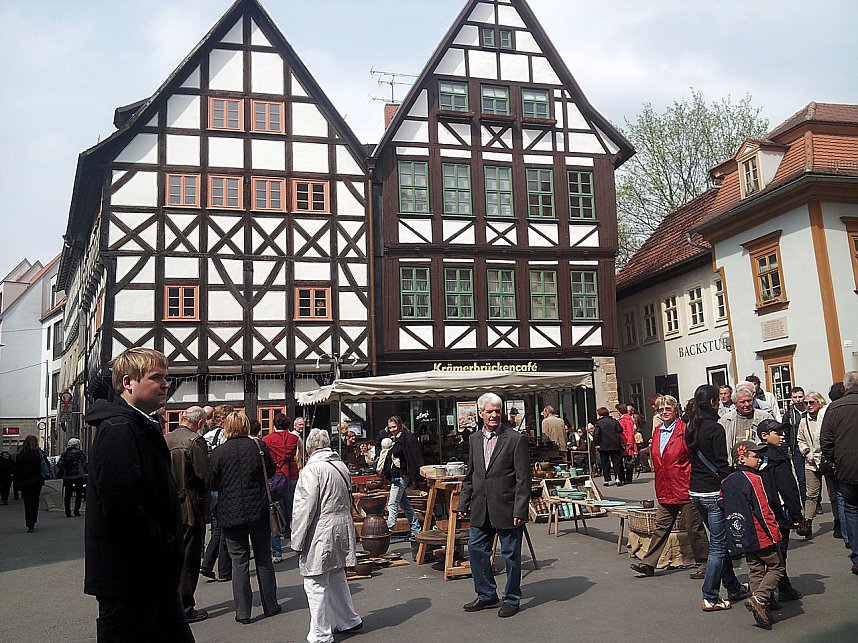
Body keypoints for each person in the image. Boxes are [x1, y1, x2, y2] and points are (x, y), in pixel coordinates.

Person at [83, 347, 193, 641]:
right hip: (132, 579)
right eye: (157, 377)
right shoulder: (120, 429)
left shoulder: (138, 424)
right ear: (127, 383)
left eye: (167, 377)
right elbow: (122, 508)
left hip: (149, 577)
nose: (166, 384)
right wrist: (164, 543)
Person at [459, 392, 530, 618]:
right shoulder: (474, 439)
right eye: (489, 411)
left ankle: (511, 598)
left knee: (510, 555)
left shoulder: (515, 439)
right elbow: (471, 474)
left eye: (497, 411)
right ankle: (487, 595)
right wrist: (463, 502)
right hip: (481, 506)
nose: (494, 415)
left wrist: (520, 509)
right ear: (480, 414)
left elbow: (523, 479)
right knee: (476, 550)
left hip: (507, 507)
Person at [207, 411, 280, 624]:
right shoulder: (257, 447)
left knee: (239, 562)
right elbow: (271, 471)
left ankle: (243, 611)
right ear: (247, 426)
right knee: (264, 558)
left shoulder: (219, 452)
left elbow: (210, 482)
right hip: (257, 509)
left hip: (230, 512)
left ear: (227, 428)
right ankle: (270, 605)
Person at [291, 428, 362, 642]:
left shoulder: (313, 470)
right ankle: (349, 620)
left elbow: (304, 508)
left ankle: (321, 634)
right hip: (341, 525)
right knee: (337, 575)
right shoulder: (339, 465)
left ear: (310, 448)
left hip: (321, 529)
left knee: (315, 581)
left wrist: (297, 539)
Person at [684, 385, 749, 611]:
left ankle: (733, 586)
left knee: (717, 541)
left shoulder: (690, 426)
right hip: (713, 491)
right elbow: (721, 464)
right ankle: (710, 595)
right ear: (713, 401)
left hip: (695, 491)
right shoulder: (715, 428)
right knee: (718, 546)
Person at [629, 395, 708, 579]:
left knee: (694, 528)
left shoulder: (685, 430)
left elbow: (693, 457)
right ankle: (649, 563)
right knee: (661, 527)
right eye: (661, 409)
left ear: (675, 410)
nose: (664, 412)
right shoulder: (657, 431)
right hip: (665, 487)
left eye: (668, 408)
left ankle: (704, 563)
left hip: (684, 486)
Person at [721, 441, 785, 630]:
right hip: (760, 533)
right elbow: (762, 509)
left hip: (740, 534)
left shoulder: (726, 481)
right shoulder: (753, 479)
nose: (760, 460)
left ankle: (761, 608)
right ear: (741, 458)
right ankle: (760, 597)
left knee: (756, 569)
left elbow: (721, 504)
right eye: (755, 456)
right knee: (776, 566)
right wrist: (775, 533)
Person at [164, 405, 211, 623]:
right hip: (191, 505)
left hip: (170, 504)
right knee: (189, 559)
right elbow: (203, 475)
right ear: (200, 423)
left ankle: (172, 603)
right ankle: (185, 606)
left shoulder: (166, 438)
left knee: (173, 556)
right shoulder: (195, 441)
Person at [756, 419, 803, 604]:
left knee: (762, 556)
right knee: (779, 554)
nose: (782, 436)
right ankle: (772, 592)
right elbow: (788, 488)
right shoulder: (778, 458)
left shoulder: (756, 458)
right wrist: (797, 515)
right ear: (765, 436)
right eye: (777, 433)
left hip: (761, 511)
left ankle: (779, 589)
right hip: (777, 510)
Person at [821, 371, 858, 574]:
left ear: (846, 387)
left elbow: (825, 442)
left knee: (851, 510)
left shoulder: (834, 408)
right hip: (846, 465)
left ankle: (857, 555)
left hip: (846, 468)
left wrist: (836, 458)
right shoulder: (835, 408)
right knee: (851, 509)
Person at [796, 391, 838, 539]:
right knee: (811, 495)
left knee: (833, 494)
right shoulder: (803, 421)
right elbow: (800, 440)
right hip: (811, 463)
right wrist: (806, 452)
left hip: (827, 461)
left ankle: (838, 522)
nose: (808, 405)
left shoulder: (827, 418)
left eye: (811, 402)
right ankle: (807, 523)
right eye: (806, 403)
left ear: (820, 403)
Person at [200, 404, 233, 583]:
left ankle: (208, 564)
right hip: (223, 486)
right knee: (223, 529)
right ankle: (222, 569)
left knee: (217, 528)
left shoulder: (206, 436)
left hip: (210, 485)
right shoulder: (226, 437)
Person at [262, 412, 300, 563]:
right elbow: (299, 457)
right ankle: (297, 542)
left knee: (274, 513)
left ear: (274, 424)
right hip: (291, 475)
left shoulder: (266, 440)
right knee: (295, 510)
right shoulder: (295, 439)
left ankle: (277, 550)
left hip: (274, 476)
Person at [383, 416, 424, 548]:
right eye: (390, 427)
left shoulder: (406, 437)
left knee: (392, 503)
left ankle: (386, 531)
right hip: (396, 475)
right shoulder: (394, 439)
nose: (392, 430)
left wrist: (417, 474)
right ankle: (416, 528)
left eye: (394, 427)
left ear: (399, 425)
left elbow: (415, 455)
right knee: (404, 504)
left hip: (402, 475)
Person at [719, 381, 773, 463]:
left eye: (749, 400)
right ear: (735, 404)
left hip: (761, 462)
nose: (747, 404)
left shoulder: (765, 417)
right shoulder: (725, 420)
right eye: (742, 402)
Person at [13, 435, 45, 533]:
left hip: (24, 482)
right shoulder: (38, 454)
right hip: (36, 481)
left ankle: (29, 523)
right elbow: (43, 466)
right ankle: (33, 519)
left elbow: (17, 470)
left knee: (27, 503)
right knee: (35, 501)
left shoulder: (20, 455)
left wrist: (17, 483)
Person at [785, 386, 808, 504]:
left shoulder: (809, 410)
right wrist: (787, 449)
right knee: (802, 479)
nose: (798, 399)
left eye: (800, 397)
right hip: (796, 450)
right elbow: (786, 432)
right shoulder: (789, 414)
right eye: (795, 397)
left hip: (809, 448)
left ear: (804, 397)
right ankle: (806, 502)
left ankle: (816, 501)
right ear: (791, 398)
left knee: (814, 478)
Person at [593, 406, 624, 486]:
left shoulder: (599, 422)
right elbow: (620, 430)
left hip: (604, 445)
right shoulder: (614, 421)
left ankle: (607, 480)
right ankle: (618, 478)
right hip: (615, 444)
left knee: (605, 462)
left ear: (600, 414)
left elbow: (596, 434)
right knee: (616, 462)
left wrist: (597, 444)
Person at [56, 437, 87, 518]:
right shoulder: (80, 453)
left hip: (67, 476)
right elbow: (84, 462)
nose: (79, 445)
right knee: (79, 493)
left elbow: (59, 464)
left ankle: (68, 512)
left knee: (68, 494)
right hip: (78, 475)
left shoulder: (65, 453)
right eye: (79, 444)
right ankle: (76, 511)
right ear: (76, 445)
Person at [617, 403, 637, 483]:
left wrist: (630, 443)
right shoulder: (624, 419)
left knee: (628, 461)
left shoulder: (626, 420)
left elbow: (629, 432)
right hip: (623, 442)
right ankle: (623, 478)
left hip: (626, 442)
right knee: (623, 461)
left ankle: (628, 478)